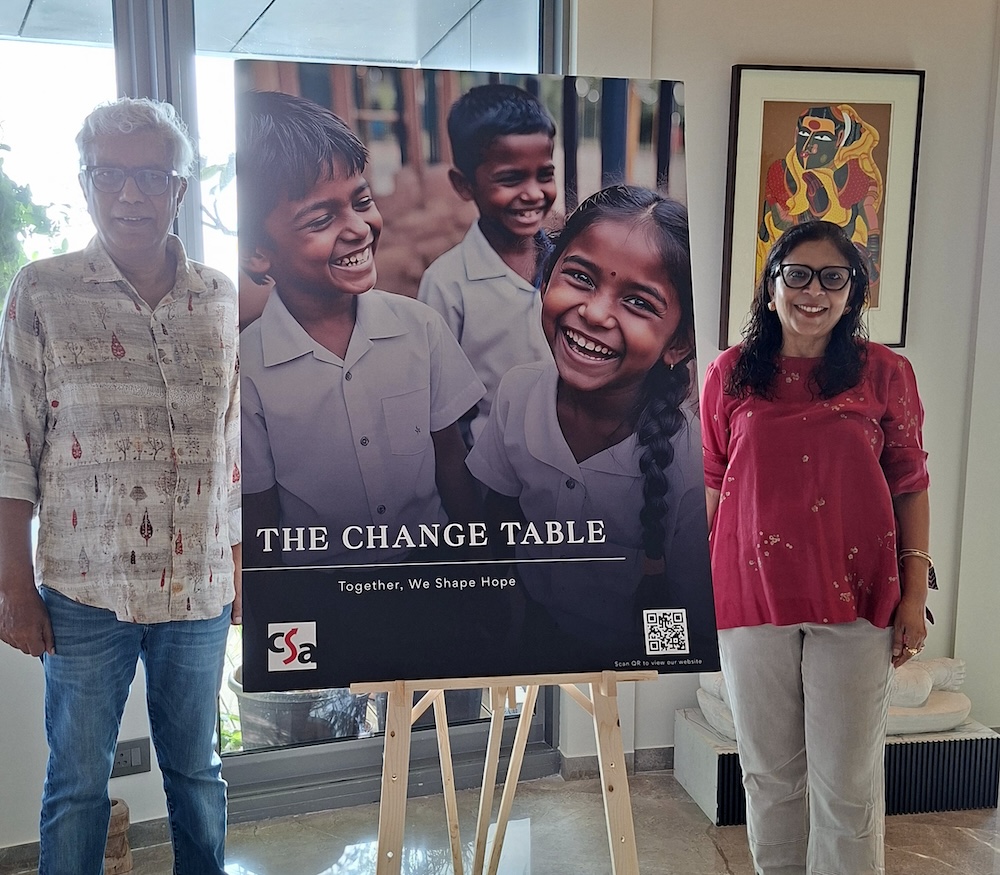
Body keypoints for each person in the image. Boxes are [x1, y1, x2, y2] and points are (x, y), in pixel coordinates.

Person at [0, 98, 241, 875]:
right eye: (109, 175)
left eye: (151, 176)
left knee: (197, 773)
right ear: (84, 183)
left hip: (199, 588)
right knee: (77, 784)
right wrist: (13, 586)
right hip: (84, 589)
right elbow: (11, 449)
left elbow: (234, 446)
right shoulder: (41, 292)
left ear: (179, 188)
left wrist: (242, 565)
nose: (130, 194)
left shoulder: (221, 298)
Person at [701, 220, 930, 875]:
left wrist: (913, 595)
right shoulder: (729, 374)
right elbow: (712, 481)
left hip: (856, 598)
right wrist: (686, 589)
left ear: (853, 290)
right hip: (750, 598)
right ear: (771, 285)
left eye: (833, 278)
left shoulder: (885, 373)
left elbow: (910, 484)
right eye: (797, 274)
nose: (814, 292)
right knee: (769, 778)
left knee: (847, 788)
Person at [467, 185, 714, 667]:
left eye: (639, 302)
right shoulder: (518, 394)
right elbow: (499, 511)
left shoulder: (689, 457)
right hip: (532, 634)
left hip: (630, 663)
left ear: (678, 344)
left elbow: (686, 606)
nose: (596, 313)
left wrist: (649, 678)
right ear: (545, 280)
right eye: (580, 277)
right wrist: (504, 607)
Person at [236, 90, 485, 570]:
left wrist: (480, 569)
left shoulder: (421, 329)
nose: (358, 228)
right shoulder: (248, 371)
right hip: (320, 590)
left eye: (362, 201)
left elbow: (451, 462)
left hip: (428, 575)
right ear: (257, 253)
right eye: (321, 219)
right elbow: (259, 511)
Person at [418, 83, 557, 445]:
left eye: (545, 174)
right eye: (511, 178)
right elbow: (440, 405)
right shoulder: (446, 284)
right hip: (491, 463)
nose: (533, 193)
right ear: (464, 185)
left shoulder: (568, 264)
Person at [757, 104, 883, 288]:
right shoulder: (781, 171)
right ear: (796, 134)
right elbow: (779, 222)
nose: (808, 146)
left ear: (839, 138)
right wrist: (812, 214)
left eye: (822, 137)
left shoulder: (853, 175)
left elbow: (867, 220)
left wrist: (870, 260)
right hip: (788, 275)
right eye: (804, 134)